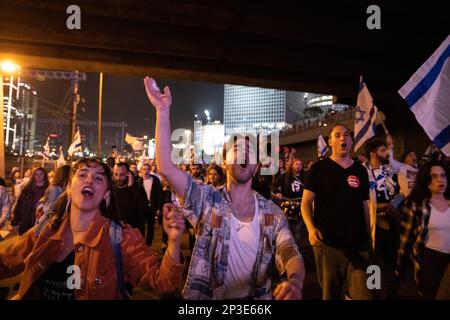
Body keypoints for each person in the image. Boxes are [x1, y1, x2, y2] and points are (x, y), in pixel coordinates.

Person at [145, 76, 305, 300]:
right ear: (223, 160)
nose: (244, 153)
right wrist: (162, 111)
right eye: (237, 148)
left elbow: (290, 251)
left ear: (257, 166)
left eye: (250, 151)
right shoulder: (206, 200)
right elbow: (166, 167)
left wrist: (295, 281)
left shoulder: (271, 214)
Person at [0, 157, 185, 300]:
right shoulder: (45, 231)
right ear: (70, 188)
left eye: (98, 178)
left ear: (105, 195)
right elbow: (6, 262)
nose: (89, 180)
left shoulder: (121, 238)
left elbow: (164, 282)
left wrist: (174, 242)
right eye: (82, 175)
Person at [301, 124, 372, 300]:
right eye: (338, 135)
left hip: (359, 244)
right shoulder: (318, 168)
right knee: (330, 294)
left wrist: (370, 236)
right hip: (328, 244)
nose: (343, 138)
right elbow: (305, 203)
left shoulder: (360, 170)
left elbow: (365, 204)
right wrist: (311, 229)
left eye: (347, 135)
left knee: (366, 293)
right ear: (330, 141)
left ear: (352, 141)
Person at [397, 161, 450, 299]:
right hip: (429, 259)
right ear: (426, 180)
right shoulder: (416, 204)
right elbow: (405, 239)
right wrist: (400, 266)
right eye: (434, 176)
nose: (440, 180)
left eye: (443, 176)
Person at [363, 138, 402, 299]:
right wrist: (383, 207)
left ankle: (392, 293)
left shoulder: (389, 172)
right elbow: (362, 201)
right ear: (373, 153)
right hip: (374, 224)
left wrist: (394, 204)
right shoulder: (363, 173)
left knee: (392, 262)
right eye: (383, 150)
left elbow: (400, 192)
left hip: (391, 224)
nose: (387, 153)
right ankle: (375, 294)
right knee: (374, 264)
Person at [272, 158, 305, 248]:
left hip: (300, 204)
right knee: (287, 227)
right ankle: (287, 247)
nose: (298, 166)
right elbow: (274, 185)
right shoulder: (285, 176)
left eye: (300, 164)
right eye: (296, 164)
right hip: (287, 204)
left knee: (298, 228)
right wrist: (277, 192)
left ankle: (296, 247)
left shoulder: (305, 176)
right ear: (292, 166)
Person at [112, 162, 148, 237]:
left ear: (128, 174)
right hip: (116, 234)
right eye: (116, 174)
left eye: (122, 174)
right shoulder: (111, 190)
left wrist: (132, 188)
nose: (118, 178)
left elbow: (142, 208)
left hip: (133, 233)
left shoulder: (138, 189)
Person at [11, 167, 49, 235]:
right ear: (33, 176)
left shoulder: (49, 190)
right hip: (27, 221)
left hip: (43, 223)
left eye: (41, 174)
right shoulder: (26, 190)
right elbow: (19, 207)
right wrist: (15, 222)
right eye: (36, 174)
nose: (38, 176)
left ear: (45, 175)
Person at [137, 163, 164, 246]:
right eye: (144, 169)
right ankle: (142, 245)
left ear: (150, 170)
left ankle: (148, 245)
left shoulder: (155, 181)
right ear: (141, 171)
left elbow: (160, 195)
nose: (146, 171)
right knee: (141, 227)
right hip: (141, 209)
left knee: (150, 227)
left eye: (147, 169)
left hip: (152, 208)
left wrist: (159, 208)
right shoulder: (138, 182)